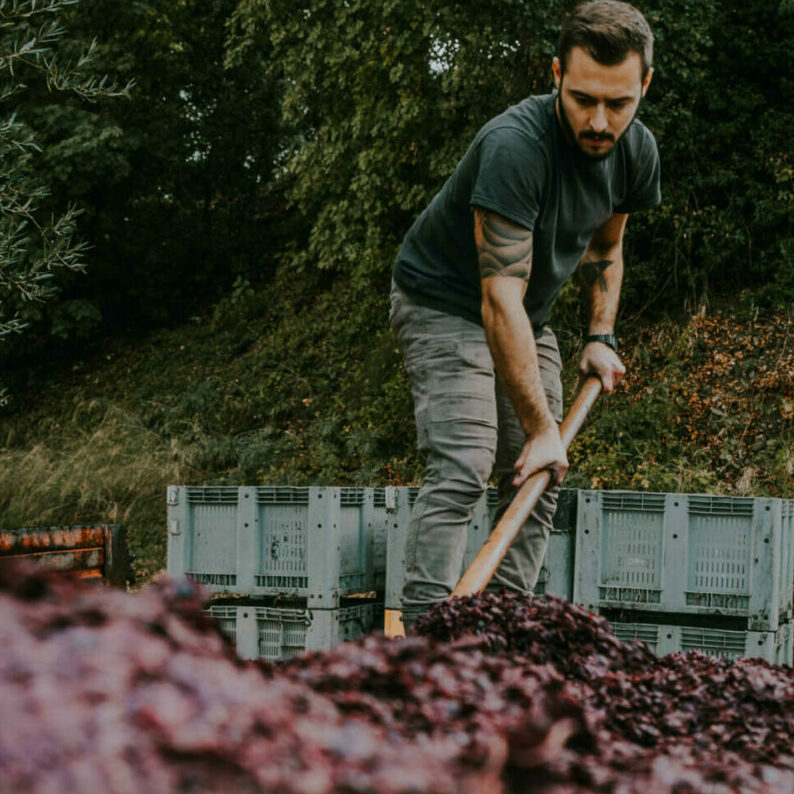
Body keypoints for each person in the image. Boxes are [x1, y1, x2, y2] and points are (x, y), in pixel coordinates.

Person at [389, 0, 661, 630]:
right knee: (465, 462)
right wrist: (541, 424)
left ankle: (500, 633)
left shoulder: (634, 151)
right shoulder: (517, 146)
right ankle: (428, 645)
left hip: (524, 314)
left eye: (618, 103)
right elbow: (497, 297)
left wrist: (599, 335)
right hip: (445, 300)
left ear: (643, 85)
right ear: (556, 76)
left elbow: (606, 247)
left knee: (542, 477)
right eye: (583, 98)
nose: (599, 120)